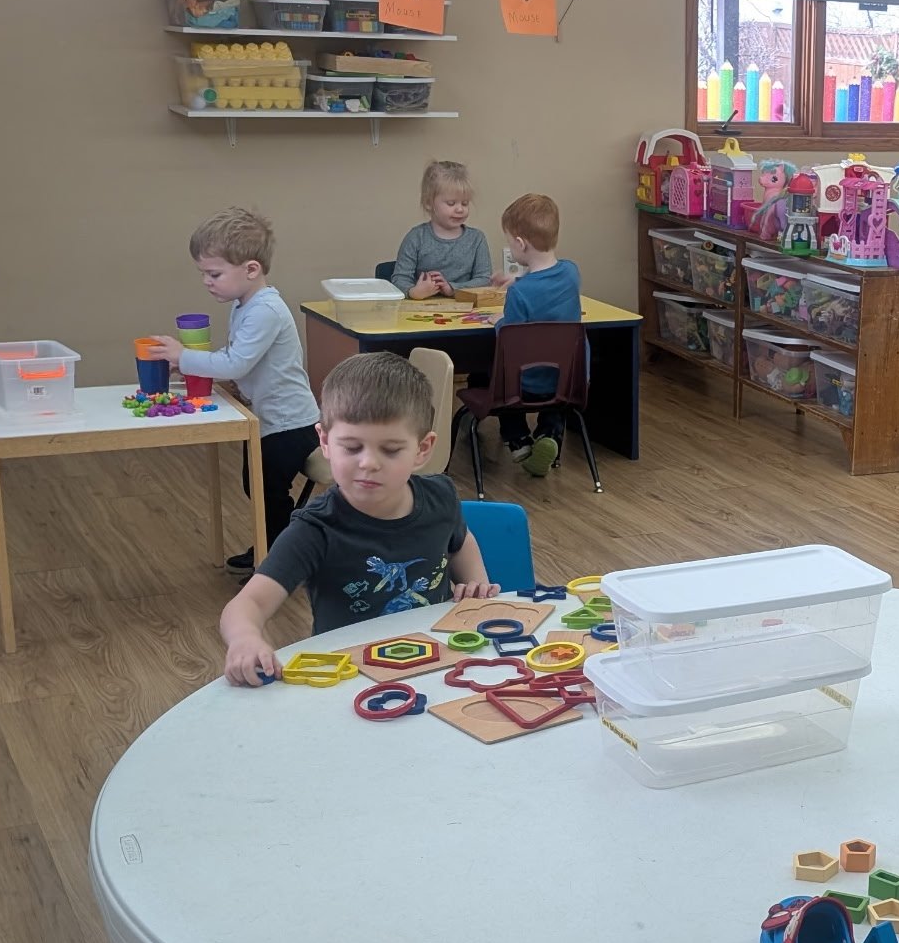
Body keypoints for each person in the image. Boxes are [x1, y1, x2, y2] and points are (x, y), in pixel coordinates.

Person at [217, 352, 500, 686]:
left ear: (422, 449)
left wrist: (474, 582)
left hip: (438, 664)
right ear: (324, 441)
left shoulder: (441, 497)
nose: (368, 463)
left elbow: (459, 539)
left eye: (391, 450)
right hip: (350, 678)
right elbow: (247, 603)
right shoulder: (315, 530)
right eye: (351, 447)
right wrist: (245, 638)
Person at [151, 207, 319, 577]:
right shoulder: (247, 305)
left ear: (251, 269)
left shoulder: (265, 310)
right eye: (204, 274)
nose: (207, 282)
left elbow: (235, 363)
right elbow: (239, 362)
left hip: (289, 422)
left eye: (214, 274)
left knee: (266, 491)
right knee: (258, 488)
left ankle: (281, 556)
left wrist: (186, 356)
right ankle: (274, 545)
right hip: (267, 418)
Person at [495, 192, 583, 477]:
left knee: (503, 384)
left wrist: (498, 323)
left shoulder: (519, 294)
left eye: (510, 241)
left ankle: (519, 441)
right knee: (556, 399)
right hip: (566, 379)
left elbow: (512, 340)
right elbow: (545, 281)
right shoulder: (572, 273)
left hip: (525, 383)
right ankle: (549, 435)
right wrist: (520, 279)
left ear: (520, 244)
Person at [390, 160, 494, 300]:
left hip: (465, 312)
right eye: (451, 203)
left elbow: (484, 279)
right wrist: (413, 292)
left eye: (465, 203)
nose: (460, 209)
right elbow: (399, 278)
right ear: (428, 203)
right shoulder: (416, 237)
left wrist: (452, 288)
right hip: (420, 312)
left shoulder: (477, 239)